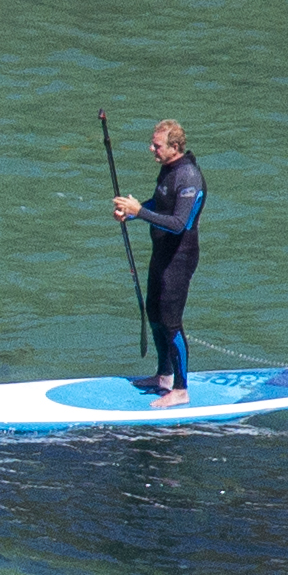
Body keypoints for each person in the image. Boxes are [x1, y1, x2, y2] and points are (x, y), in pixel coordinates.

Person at [109, 121, 204, 398]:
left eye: (157, 145)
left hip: (180, 258)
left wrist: (139, 211)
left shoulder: (189, 178)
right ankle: (163, 376)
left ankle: (181, 389)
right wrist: (132, 212)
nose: (152, 149)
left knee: (171, 321)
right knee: (154, 312)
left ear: (174, 147)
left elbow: (177, 223)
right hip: (161, 254)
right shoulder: (168, 171)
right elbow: (159, 205)